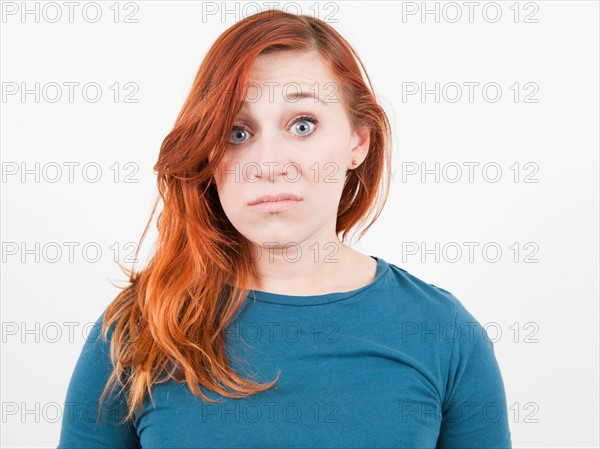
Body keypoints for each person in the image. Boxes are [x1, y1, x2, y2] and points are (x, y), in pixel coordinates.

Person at [57, 9, 512, 449]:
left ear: (358, 141)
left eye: (302, 124)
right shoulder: (139, 326)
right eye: (237, 132)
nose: (269, 164)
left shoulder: (443, 332)